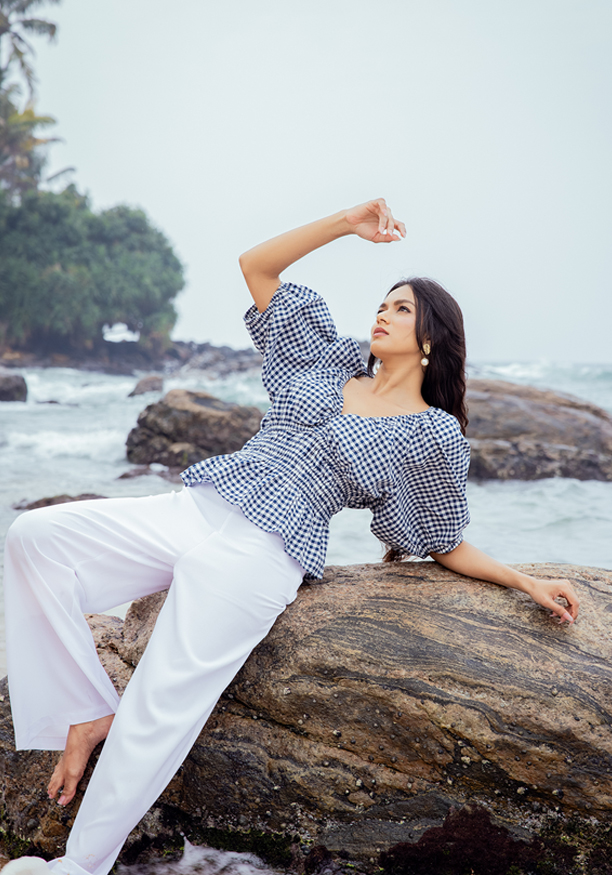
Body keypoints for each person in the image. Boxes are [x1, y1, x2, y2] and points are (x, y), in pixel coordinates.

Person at [2, 198, 579, 875]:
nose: (382, 313)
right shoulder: (326, 356)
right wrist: (345, 223)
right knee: (35, 536)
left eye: (401, 308)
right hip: (204, 502)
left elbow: (443, 537)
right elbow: (256, 265)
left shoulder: (433, 434)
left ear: (431, 338)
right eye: (383, 301)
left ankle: (80, 865)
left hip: (264, 555)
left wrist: (524, 580)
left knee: (163, 702)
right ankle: (86, 707)